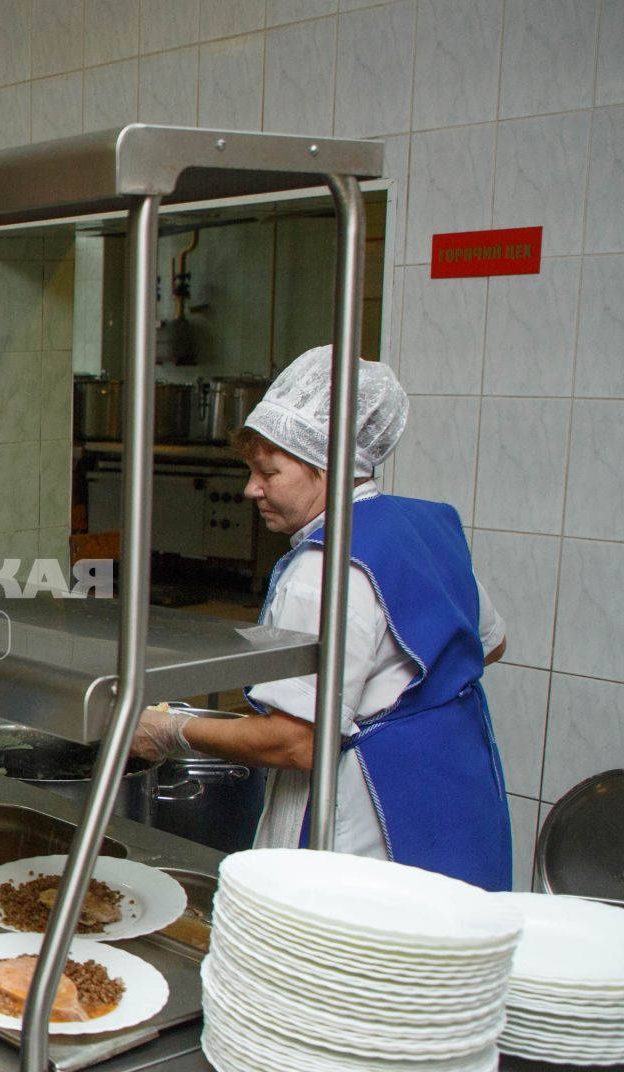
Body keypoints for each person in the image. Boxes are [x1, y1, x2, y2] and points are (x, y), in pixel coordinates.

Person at [134, 346, 511, 890]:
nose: (250, 489)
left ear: (327, 466)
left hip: (369, 820)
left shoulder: (323, 569)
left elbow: (296, 743)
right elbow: (489, 645)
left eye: (269, 471)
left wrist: (170, 730)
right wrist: (401, 697)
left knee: (343, 962)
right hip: (455, 792)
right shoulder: (420, 527)